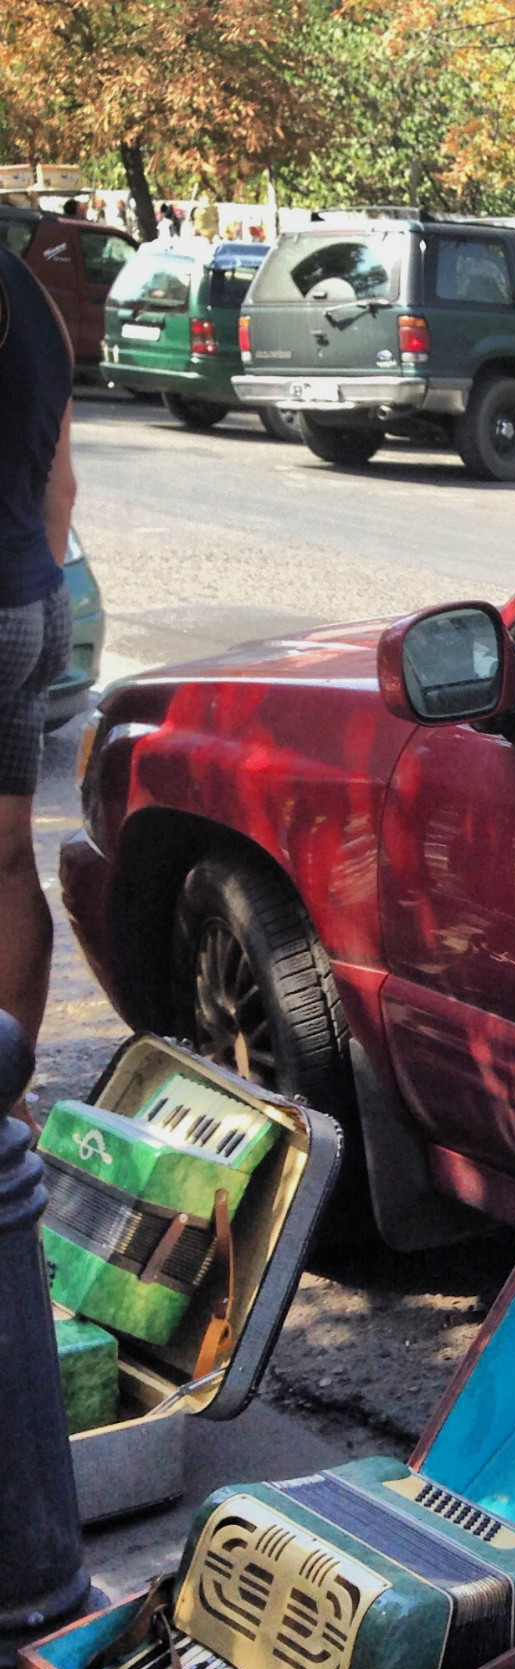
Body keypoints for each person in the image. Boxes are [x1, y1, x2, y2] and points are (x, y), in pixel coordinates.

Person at [0, 236, 77, 1102]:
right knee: (10, 864)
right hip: (32, 600)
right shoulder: (36, 296)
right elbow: (63, 489)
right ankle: (8, 1102)